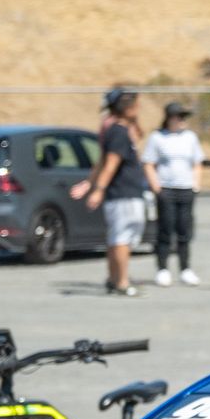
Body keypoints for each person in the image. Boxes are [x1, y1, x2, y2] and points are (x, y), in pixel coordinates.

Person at [71, 86, 155, 296]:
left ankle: (113, 278)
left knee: (118, 237)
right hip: (123, 193)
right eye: (135, 105)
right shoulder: (118, 132)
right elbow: (110, 164)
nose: (138, 109)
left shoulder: (120, 130)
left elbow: (102, 161)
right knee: (122, 238)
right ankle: (122, 282)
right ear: (126, 108)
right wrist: (98, 189)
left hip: (125, 193)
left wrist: (88, 183)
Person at [144, 102, 203, 286]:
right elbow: (149, 164)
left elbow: (197, 163)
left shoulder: (190, 137)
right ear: (170, 118)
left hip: (186, 189)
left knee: (184, 230)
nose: (182, 120)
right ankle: (162, 269)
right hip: (166, 189)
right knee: (166, 229)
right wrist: (157, 188)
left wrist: (196, 186)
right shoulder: (157, 137)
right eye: (179, 117)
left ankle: (185, 269)